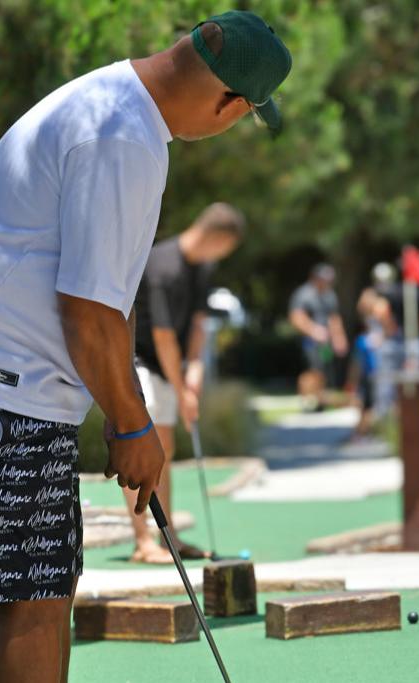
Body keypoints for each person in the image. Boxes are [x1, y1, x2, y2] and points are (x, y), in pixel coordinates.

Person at [0, 11, 291, 683]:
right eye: (242, 116)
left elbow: (95, 308)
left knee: (47, 579)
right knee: (34, 591)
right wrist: (131, 424)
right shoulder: (124, 136)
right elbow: (90, 313)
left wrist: (122, 412)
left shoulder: (110, 97)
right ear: (226, 102)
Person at [125, 203, 245, 563]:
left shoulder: (202, 267)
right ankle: (144, 541)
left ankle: (169, 537)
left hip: (170, 365)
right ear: (218, 238)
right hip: (140, 361)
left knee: (164, 452)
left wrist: (195, 371)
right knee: (142, 449)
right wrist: (182, 391)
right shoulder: (162, 265)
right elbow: (161, 336)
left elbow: (197, 323)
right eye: (228, 247)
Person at [288, 263, 348, 409]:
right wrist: (313, 330)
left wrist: (339, 338)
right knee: (312, 370)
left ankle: (320, 401)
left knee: (324, 371)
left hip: (325, 342)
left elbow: (334, 318)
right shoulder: (303, 294)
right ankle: (307, 400)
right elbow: (296, 317)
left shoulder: (329, 295)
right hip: (309, 340)